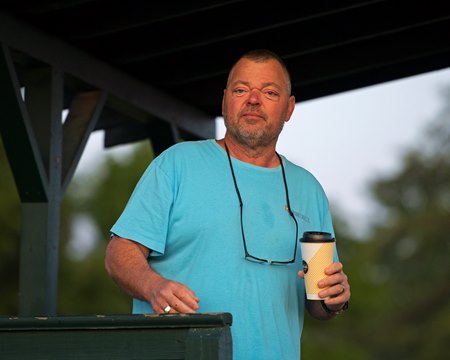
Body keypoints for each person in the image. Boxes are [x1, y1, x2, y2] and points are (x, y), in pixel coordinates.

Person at [105, 49, 351, 359]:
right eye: (241, 89)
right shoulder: (177, 164)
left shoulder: (309, 189)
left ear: (288, 108)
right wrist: (153, 286)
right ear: (225, 101)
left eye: (270, 92)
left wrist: (336, 297)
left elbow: (320, 304)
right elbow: (119, 252)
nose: (253, 99)